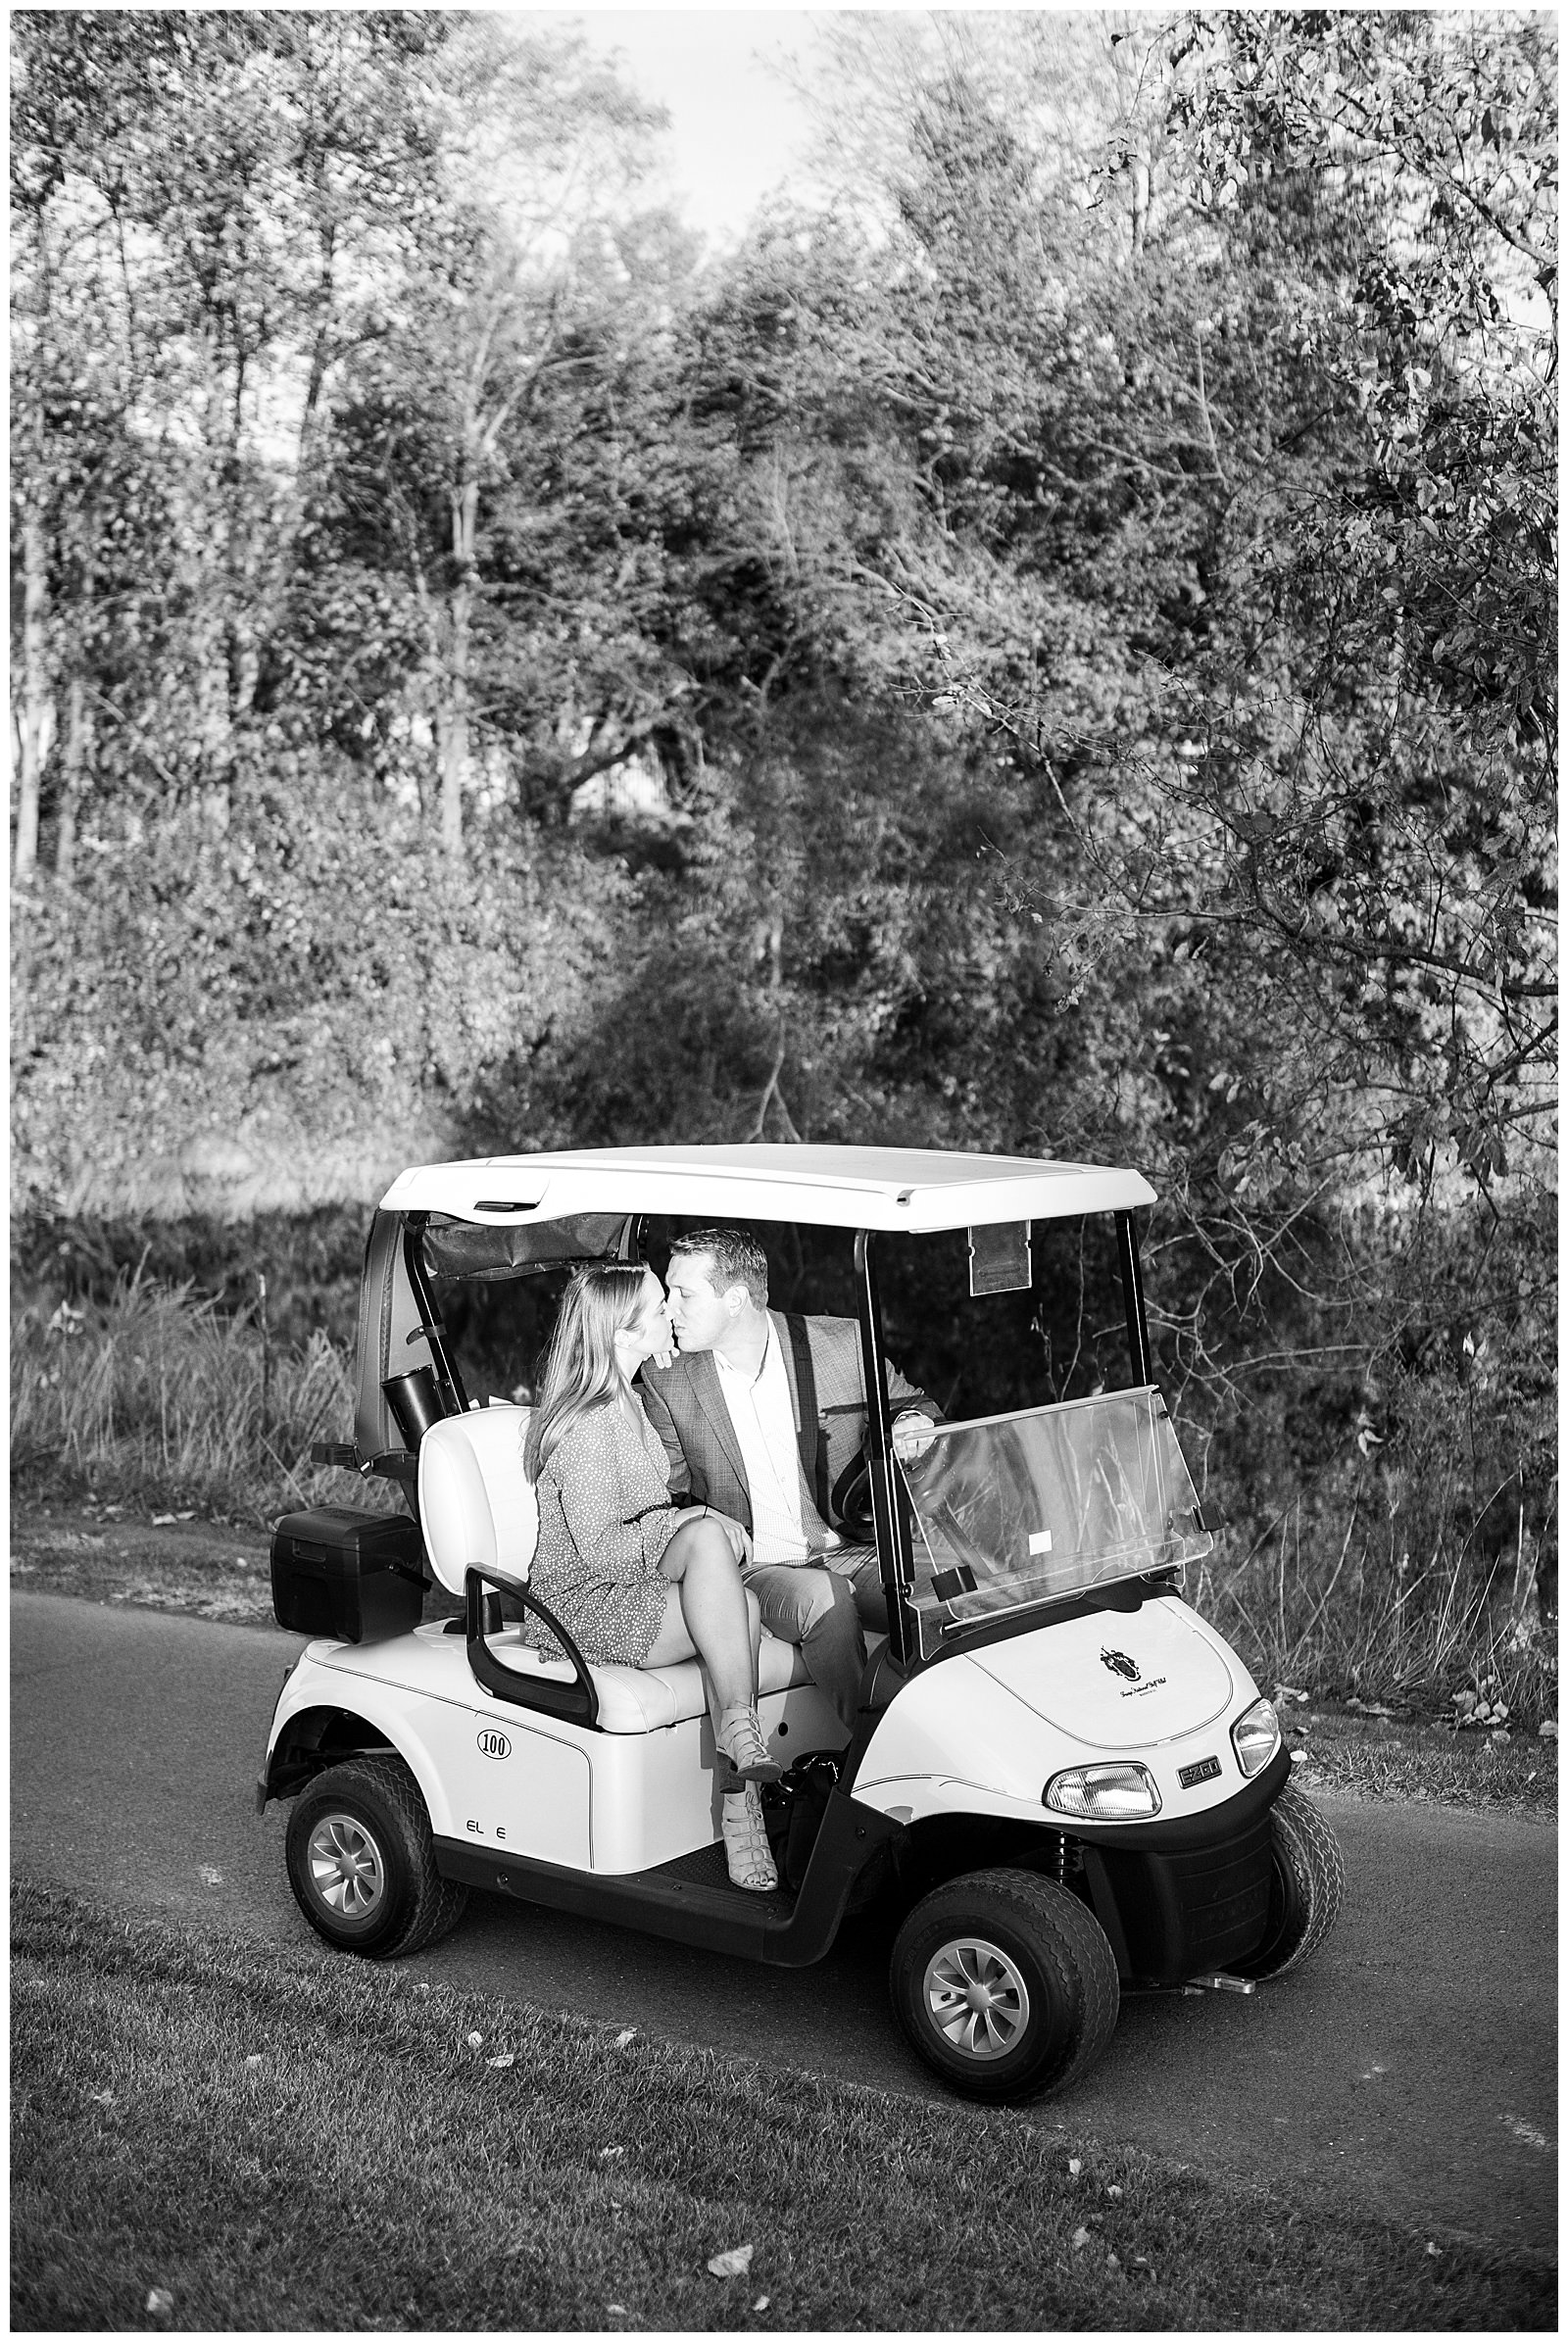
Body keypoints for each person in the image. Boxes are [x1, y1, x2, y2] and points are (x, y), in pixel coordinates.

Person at [521, 1262, 779, 1893]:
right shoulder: (587, 1423)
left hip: (624, 1586)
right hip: (577, 1606)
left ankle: (740, 1779)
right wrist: (690, 1521)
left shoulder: (632, 1400)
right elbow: (602, 1551)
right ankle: (742, 1797)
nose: (672, 1314)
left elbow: (643, 1522)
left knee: (738, 1605)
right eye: (660, 1306)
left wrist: (690, 1522)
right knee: (714, 1558)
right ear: (621, 1332)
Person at [638, 1228, 937, 1733]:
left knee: (953, 1587)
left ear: (734, 1300)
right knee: (827, 1600)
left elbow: (916, 1404)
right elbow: (660, 1498)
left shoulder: (838, 1346)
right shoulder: (667, 1379)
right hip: (756, 1566)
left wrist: (912, 1422)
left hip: (852, 1547)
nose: (670, 1308)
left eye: (683, 1294)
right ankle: (879, 1754)